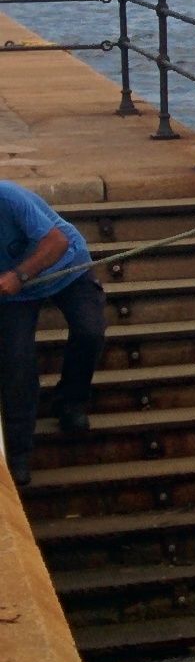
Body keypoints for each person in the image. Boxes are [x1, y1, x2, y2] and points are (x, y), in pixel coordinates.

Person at [0, 180, 104, 488]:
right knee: (16, 362)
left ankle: (70, 400)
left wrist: (19, 275)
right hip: (15, 294)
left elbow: (55, 242)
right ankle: (18, 452)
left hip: (65, 264)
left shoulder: (9, 197)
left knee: (90, 331)